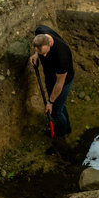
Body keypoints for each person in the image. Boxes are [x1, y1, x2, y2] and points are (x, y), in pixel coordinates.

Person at [29, 25, 75, 154]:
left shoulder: (62, 55)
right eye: (40, 52)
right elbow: (39, 47)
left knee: (55, 111)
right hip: (50, 76)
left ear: (50, 43)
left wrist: (50, 102)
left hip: (63, 82)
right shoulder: (41, 32)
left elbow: (60, 83)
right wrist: (36, 55)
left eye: (44, 52)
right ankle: (67, 128)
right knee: (60, 106)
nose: (43, 55)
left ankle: (61, 136)